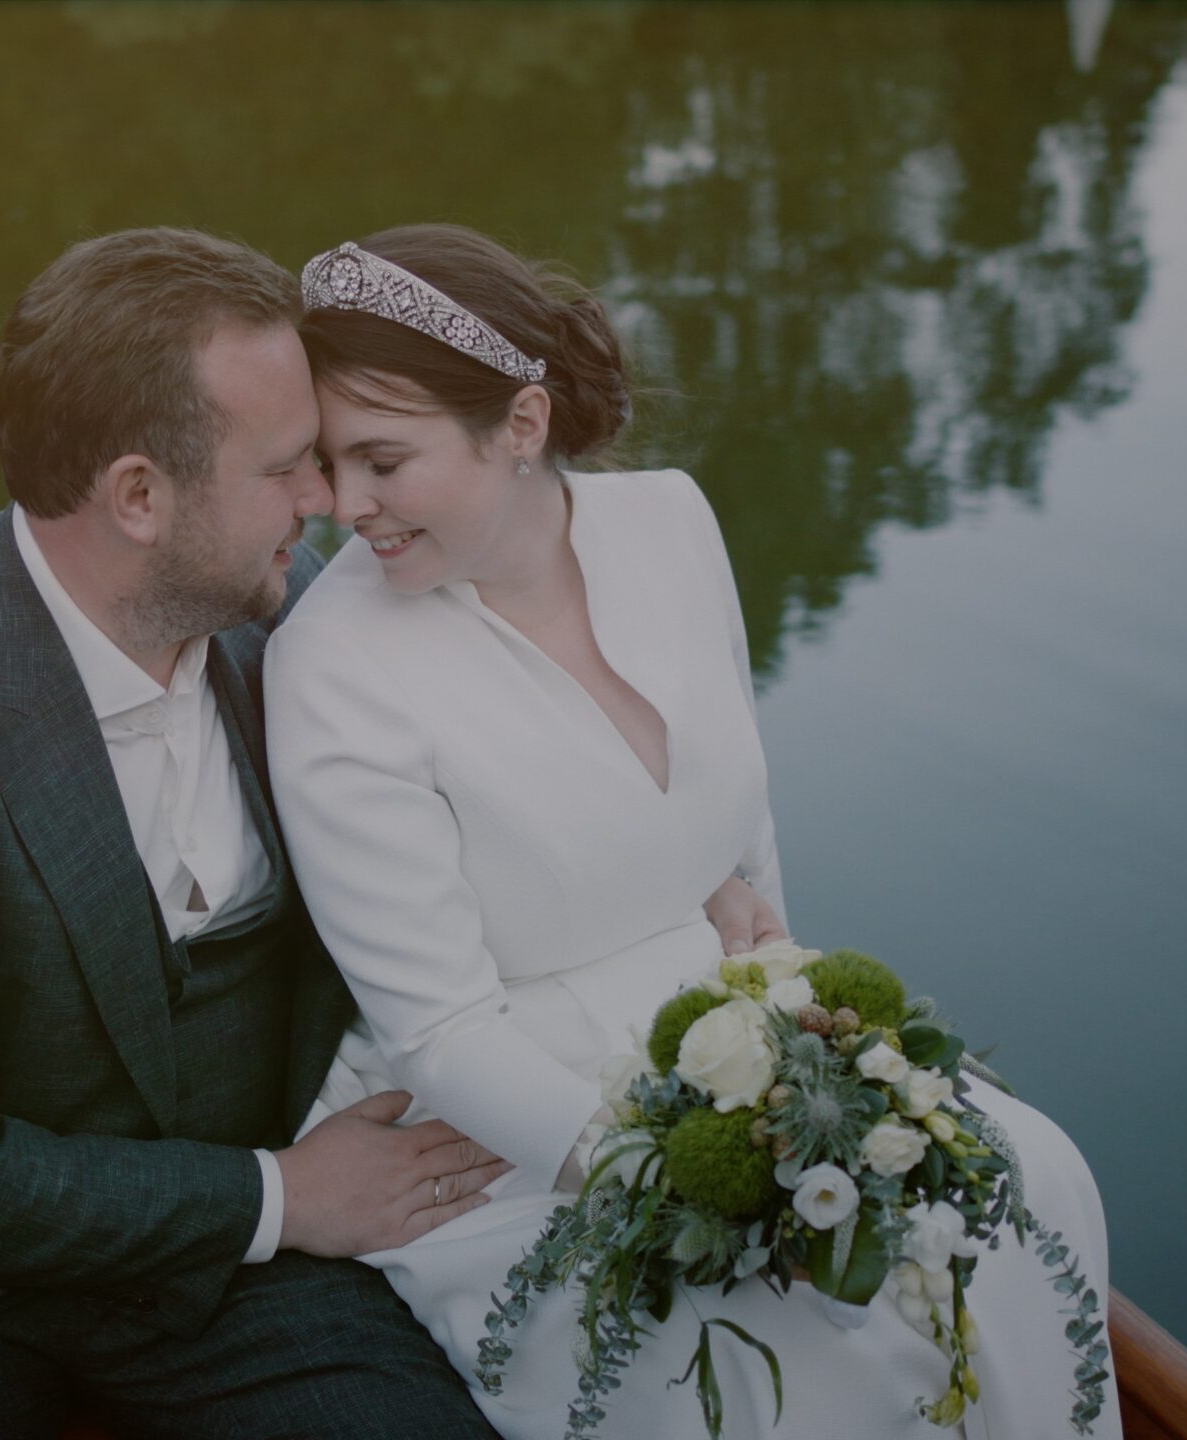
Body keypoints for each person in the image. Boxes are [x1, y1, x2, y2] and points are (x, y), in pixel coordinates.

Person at [265, 225, 1122, 1439]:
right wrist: (679, 1188)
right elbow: (443, 1032)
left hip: (715, 1020)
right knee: (779, 1357)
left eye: (381, 461)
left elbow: (741, 814)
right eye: (324, 464)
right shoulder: (331, 664)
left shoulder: (669, 521)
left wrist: (783, 1002)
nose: (343, 508)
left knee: (1035, 1180)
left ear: (519, 424)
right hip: (499, 1122)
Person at [0, 228, 509, 1438]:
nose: (327, 500)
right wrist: (282, 1196)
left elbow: (504, 791)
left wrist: (684, 888)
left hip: (233, 1285)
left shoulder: (310, 628)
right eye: (285, 468)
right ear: (136, 495)